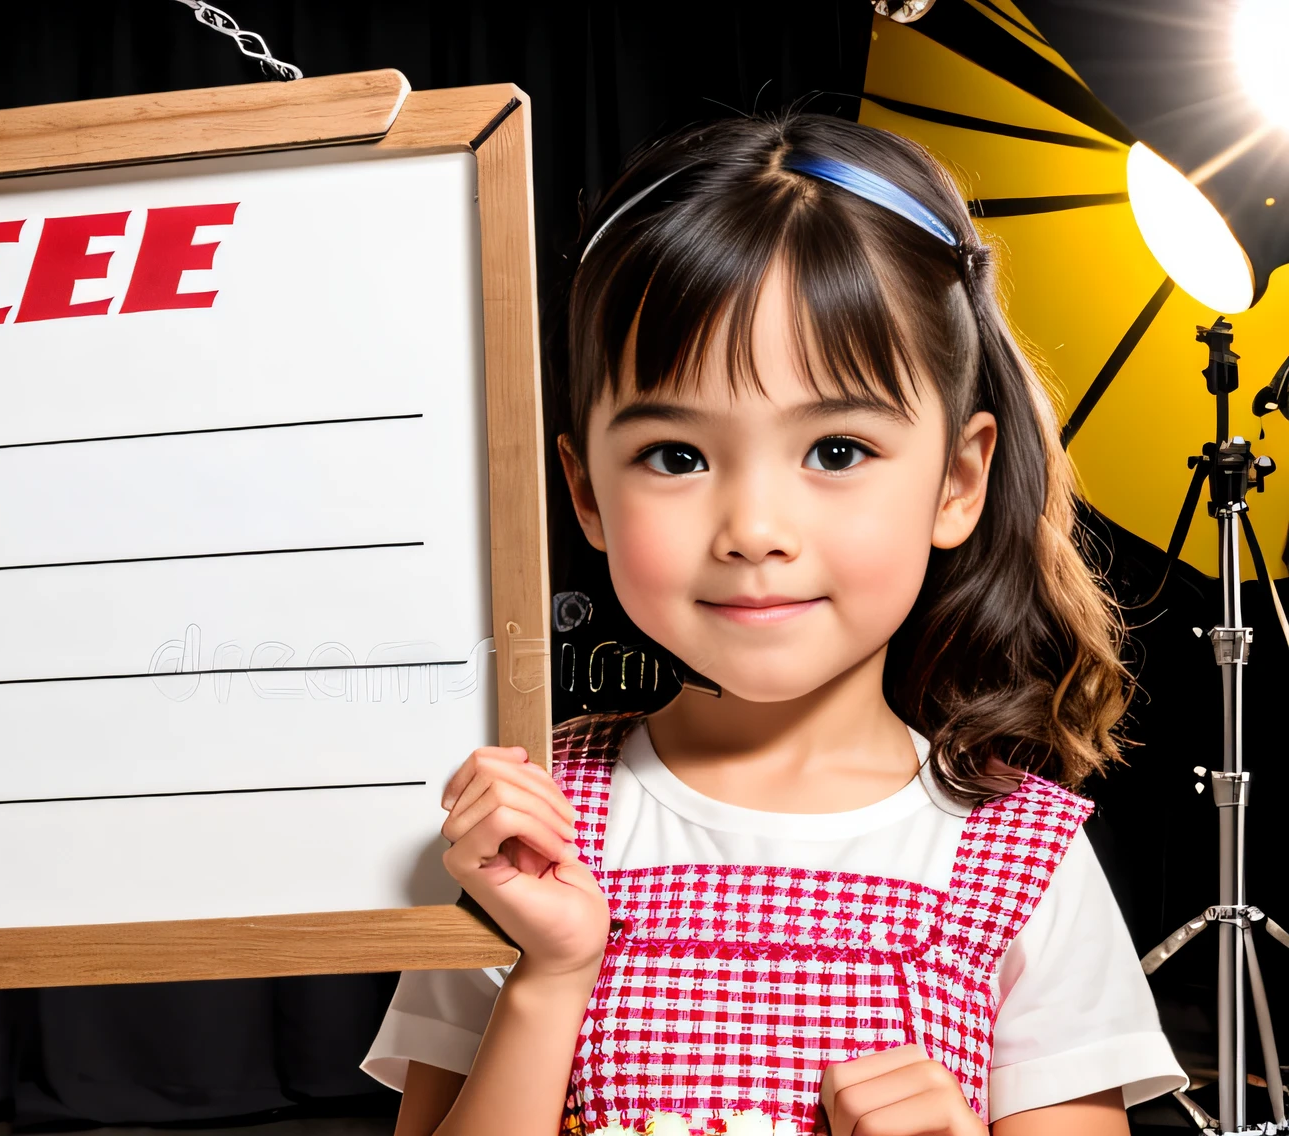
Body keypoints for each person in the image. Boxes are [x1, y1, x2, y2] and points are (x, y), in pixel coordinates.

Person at [362, 113, 1185, 1136]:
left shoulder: (1021, 859)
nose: (752, 529)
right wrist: (549, 974)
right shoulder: (522, 834)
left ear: (956, 480)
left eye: (835, 450)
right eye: (674, 454)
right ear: (583, 490)